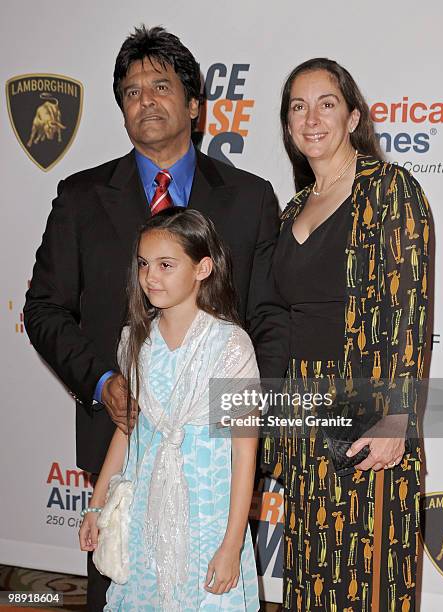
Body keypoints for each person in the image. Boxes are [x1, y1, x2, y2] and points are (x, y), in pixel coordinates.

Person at [24, 26, 283, 610]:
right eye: (132, 91)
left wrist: (238, 417)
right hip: (123, 455)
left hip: (216, 467)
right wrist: (102, 381)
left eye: (161, 86)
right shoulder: (79, 198)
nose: (146, 99)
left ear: (194, 105)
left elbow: (269, 319)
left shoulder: (251, 199)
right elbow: (42, 308)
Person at [263, 58, 430, 611]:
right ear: (287, 124)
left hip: (367, 412)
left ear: (353, 116)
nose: (311, 118)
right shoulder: (292, 210)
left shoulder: (391, 191)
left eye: (326, 103)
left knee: (365, 576)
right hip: (305, 418)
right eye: (297, 106)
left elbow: (410, 309)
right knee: (312, 574)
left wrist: (397, 417)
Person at [79, 208, 260, 611]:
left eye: (165, 265)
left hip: (208, 518)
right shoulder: (135, 341)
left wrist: (231, 544)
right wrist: (97, 505)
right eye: (143, 264)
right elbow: (128, 431)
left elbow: (245, 452)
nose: (150, 277)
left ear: (202, 268)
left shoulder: (231, 347)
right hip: (145, 518)